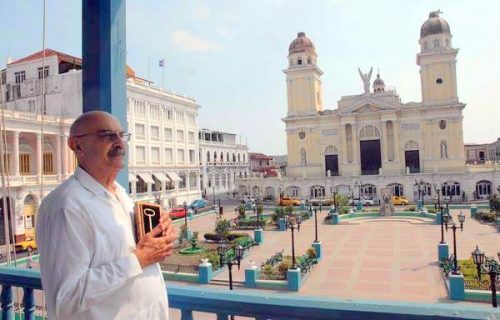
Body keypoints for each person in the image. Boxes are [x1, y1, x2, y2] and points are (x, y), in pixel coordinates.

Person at [36, 111, 176, 320]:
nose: (120, 143)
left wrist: (160, 235)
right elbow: (65, 301)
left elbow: (131, 252)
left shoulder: (120, 194)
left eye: (122, 135)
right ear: (77, 146)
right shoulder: (65, 207)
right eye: (108, 136)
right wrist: (138, 260)